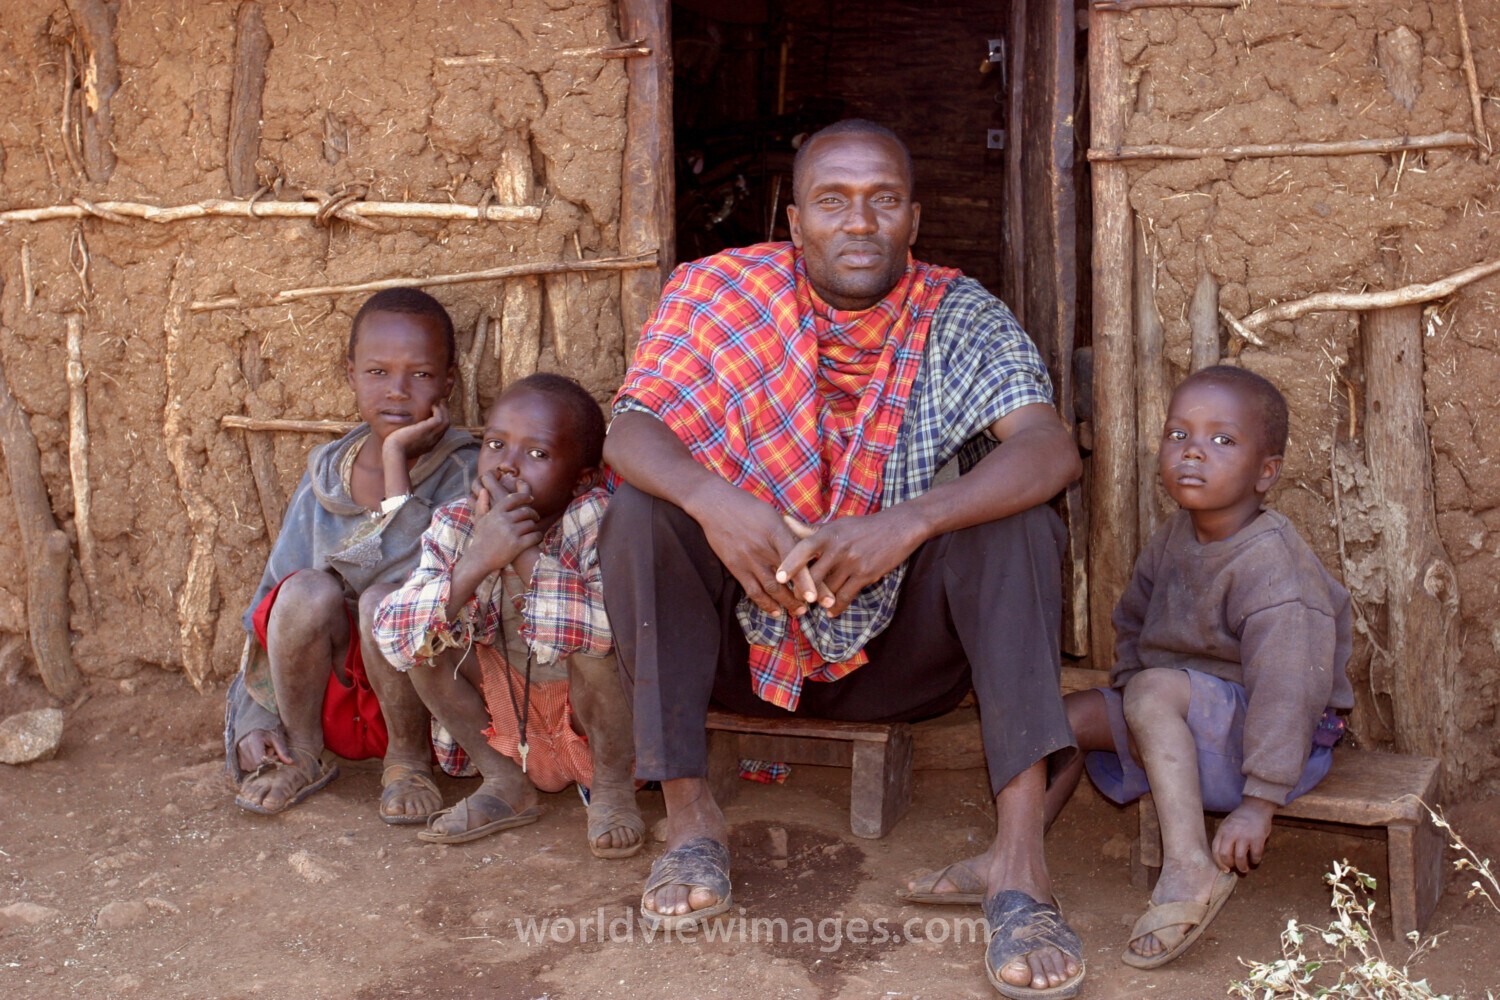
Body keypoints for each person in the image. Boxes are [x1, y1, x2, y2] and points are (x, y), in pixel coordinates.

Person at [599, 119, 1086, 998]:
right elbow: (631, 427)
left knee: (1018, 522)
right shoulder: (718, 295)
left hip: (903, 658)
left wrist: (909, 523)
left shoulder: (957, 314)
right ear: (795, 221)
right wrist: (714, 502)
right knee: (643, 510)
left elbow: (1050, 449)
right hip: (738, 645)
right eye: (833, 201)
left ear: (913, 219)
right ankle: (689, 818)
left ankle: (1021, 867)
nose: (858, 222)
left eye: (883, 201)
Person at [1044, 365, 1352, 969]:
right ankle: (1013, 857)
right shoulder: (1173, 537)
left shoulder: (1277, 573)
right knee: (1067, 718)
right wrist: (1134, 704)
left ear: (1267, 472)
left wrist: (1259, 802)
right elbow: (1133, 622)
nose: (1193, 453)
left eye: (1223, 441)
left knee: (1156, 690)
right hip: (1185, 722)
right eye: (1178, 435)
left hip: (1276, 747)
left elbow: (1290, 694)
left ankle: (1189, 867)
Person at [224, 288, 477, 825]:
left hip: (431, 711)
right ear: (350, 373)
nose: (398, 391)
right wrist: (252, 719)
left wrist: (394, 462)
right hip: (330, 706)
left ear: (449, 382)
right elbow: (267, 609)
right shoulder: (325, 475)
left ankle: (407, 765)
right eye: (378, 372)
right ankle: (303, 754)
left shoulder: (466, 474)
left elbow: (414, 581)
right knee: (303, 591)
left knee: (385, 600)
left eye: (422, 375)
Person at [371, 375, 643, 855]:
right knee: (415, 624)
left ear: (582, 477)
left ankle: (613, 791)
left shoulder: (597, 519)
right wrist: (477, 560)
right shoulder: (457, 522)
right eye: (495, 444)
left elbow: (610, 631)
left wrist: (519, 552)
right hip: (509, 722)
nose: (508, 467)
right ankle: (504, 783)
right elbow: (395, 639)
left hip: (596, 725)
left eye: (537, 454)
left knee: (600, 646)